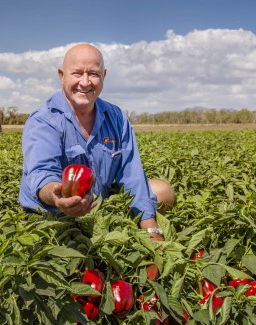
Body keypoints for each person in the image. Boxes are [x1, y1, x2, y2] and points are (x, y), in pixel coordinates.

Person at [19, 43, 175, 242]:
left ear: (104, 76)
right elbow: (41, 173)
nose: (85, 82)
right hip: (52, 213)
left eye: (93, 74)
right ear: (61, 75)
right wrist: (58, 197)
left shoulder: (115, 116)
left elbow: (132, 173)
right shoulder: (44, 120)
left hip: (96, 204)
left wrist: (152, 231)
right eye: (77, 73)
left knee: (162, 192)